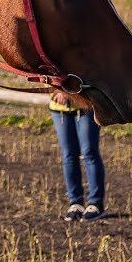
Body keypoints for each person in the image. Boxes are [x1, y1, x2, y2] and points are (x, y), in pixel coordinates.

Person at [49, 90, 107, 221]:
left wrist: (69, 93)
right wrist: (55, 90)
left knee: (89, 153)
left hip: (86, 107)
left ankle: (96, 203)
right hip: (60, 108)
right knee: (68, 155)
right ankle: (75, 202)